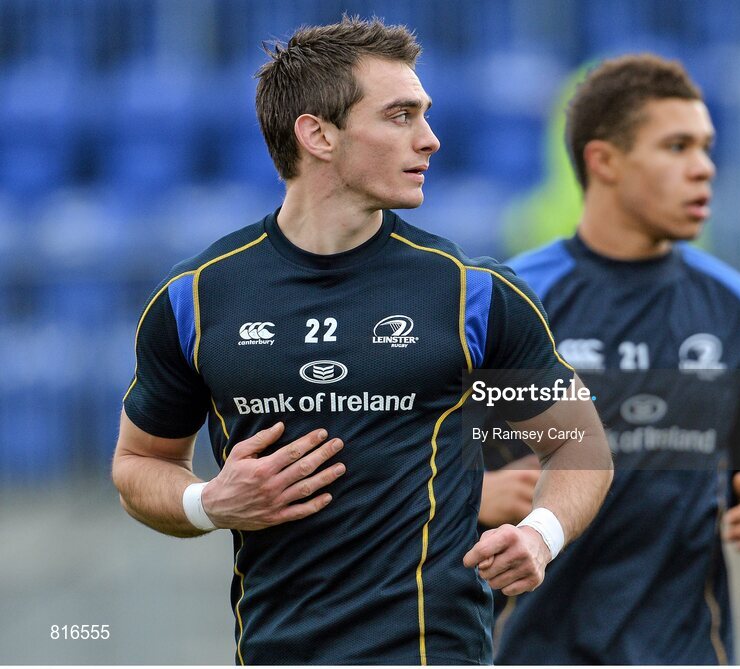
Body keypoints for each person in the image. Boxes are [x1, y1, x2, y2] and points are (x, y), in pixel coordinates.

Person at [110, 17, 612, 665]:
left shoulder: (473, 294)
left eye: (424, 114)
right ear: (317, 133)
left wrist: (540, 535)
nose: (430, 140)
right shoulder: (198, 299)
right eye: (400, 116)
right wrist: (208, 502)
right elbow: (137, 465)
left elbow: (581, 441)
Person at [482, 54, 740, 664]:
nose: (704, 169)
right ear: (604, 162)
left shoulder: (738, 310)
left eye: (707, 147)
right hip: (526, 646)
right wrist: (474, 492)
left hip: (685, 647)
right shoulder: (510, 301)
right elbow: (415, 454)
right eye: (676, 147)